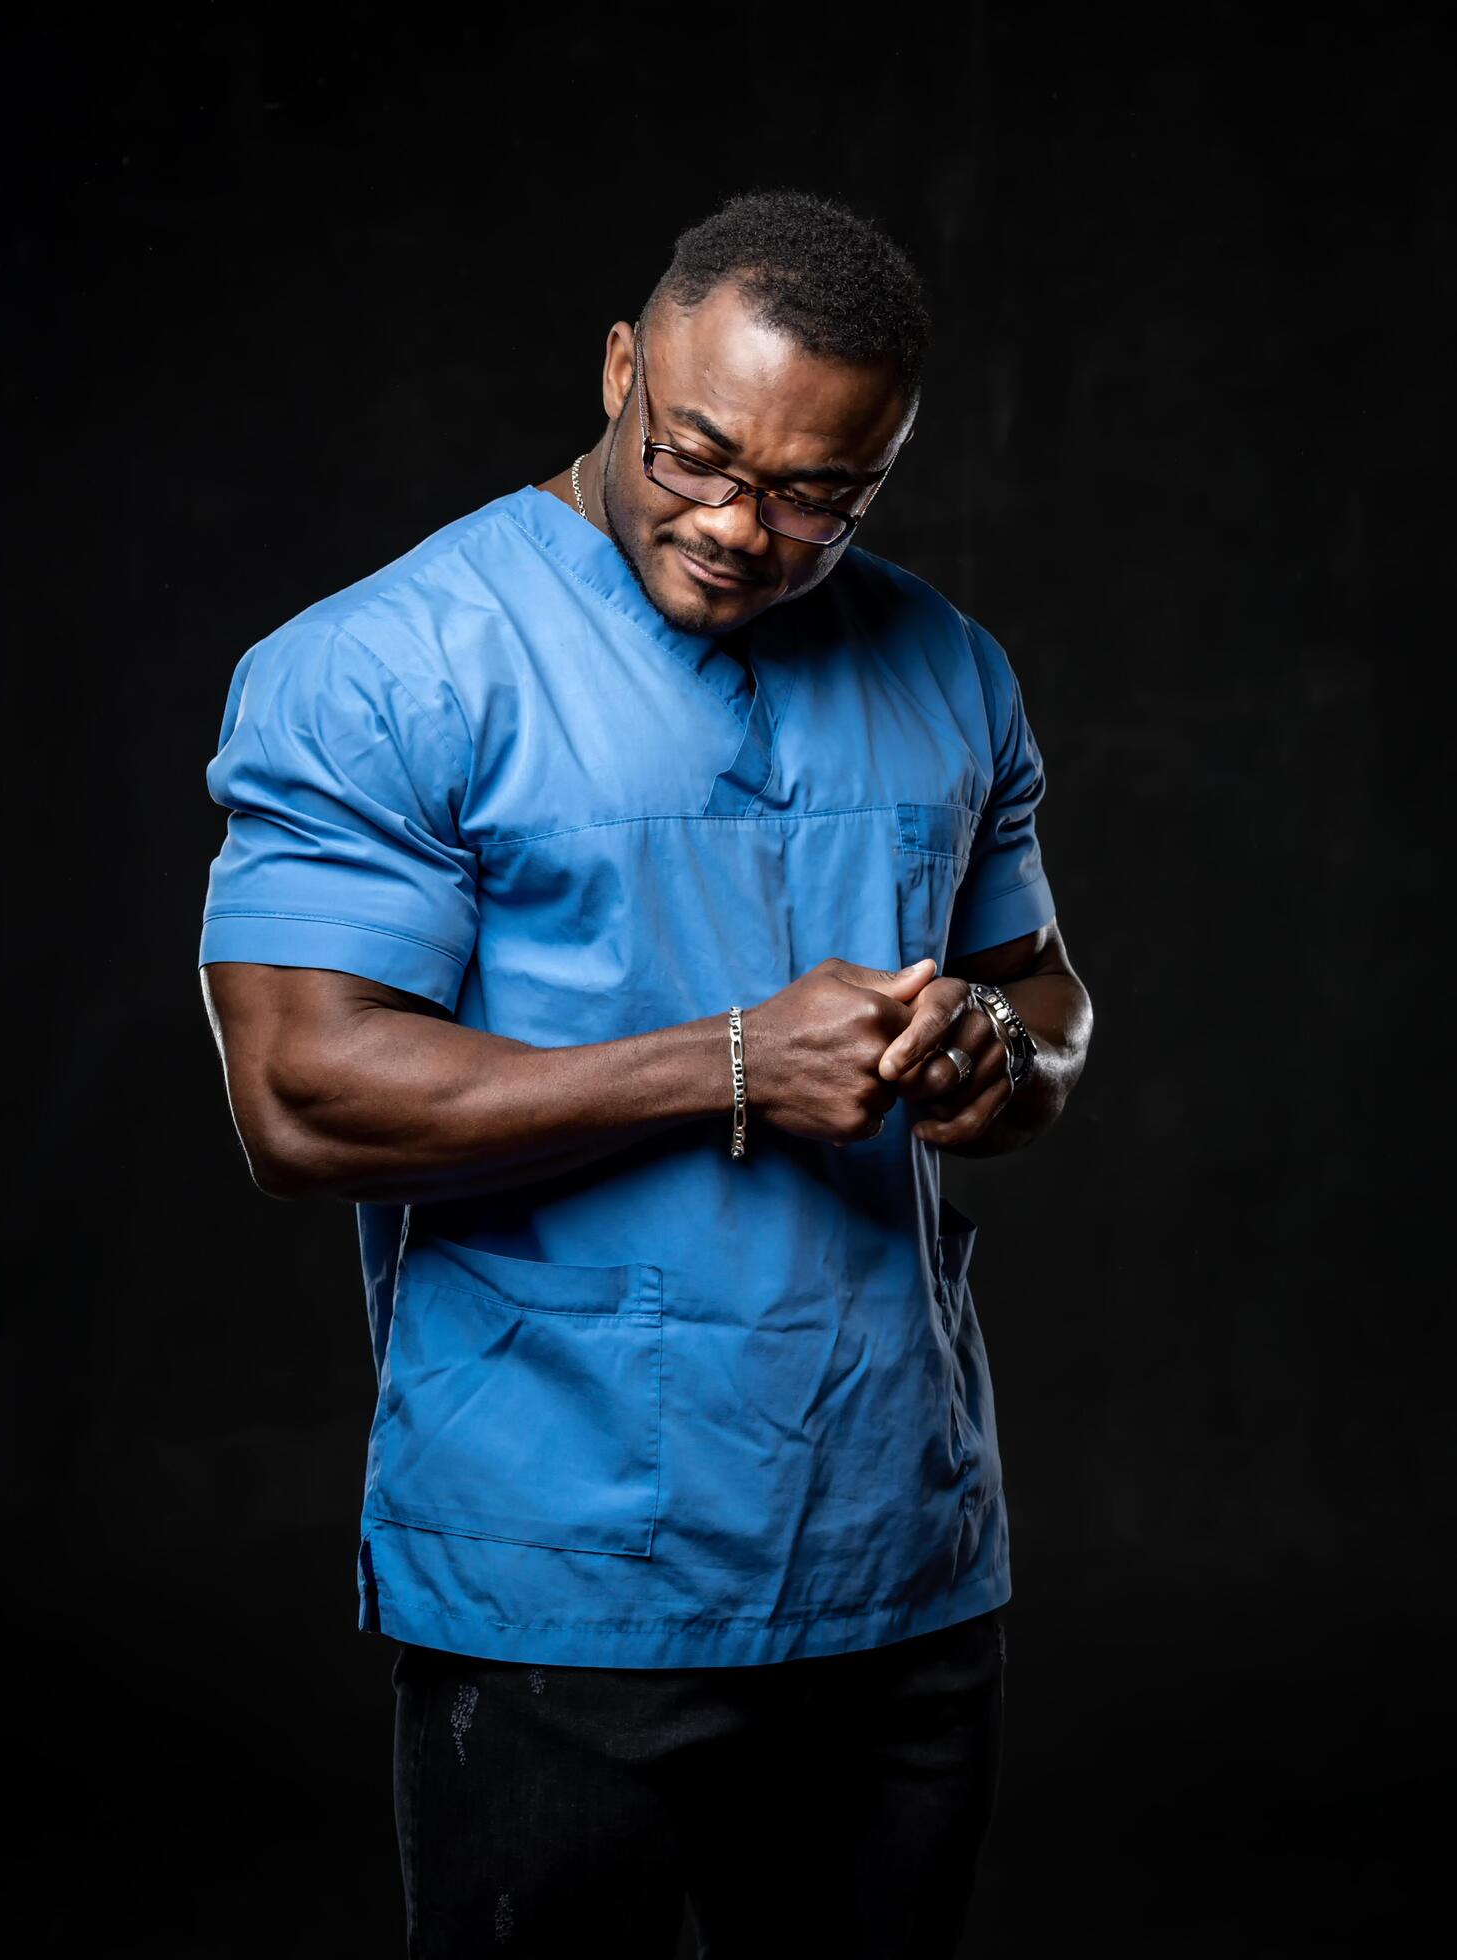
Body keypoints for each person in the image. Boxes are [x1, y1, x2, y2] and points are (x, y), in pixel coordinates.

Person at [197, 187, 1094, 1959]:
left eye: (819, 494)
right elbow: (298, 1098)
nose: (747, 529)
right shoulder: (383, 669)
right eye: (697, 458)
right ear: (621, 370)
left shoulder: (947, 669)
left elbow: (1050, 1001)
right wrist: (738, 1062)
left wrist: (1003, 1057)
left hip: (899, 1555)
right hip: (564, 1572)